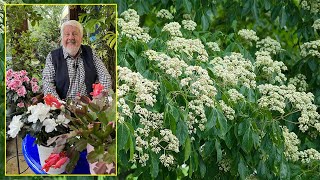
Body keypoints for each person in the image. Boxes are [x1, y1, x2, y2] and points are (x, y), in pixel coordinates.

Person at [42, 20, 112, 100]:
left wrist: (97, 101)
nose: (71, 37)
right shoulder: (52, 57)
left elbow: (105, 77)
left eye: (75, 34)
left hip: (88, 108)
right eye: (67, 34)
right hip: (63, 108)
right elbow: (48, 84)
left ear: (81, 37)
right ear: (62, 38)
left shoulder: (90, 53)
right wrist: (60, 106)